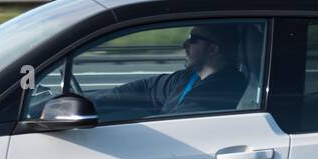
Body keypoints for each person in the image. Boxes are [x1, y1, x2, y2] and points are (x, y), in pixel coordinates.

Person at [96, 24, 246, 116]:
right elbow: (142, 89)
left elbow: (178, 125)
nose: (185, 44)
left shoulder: (223, 88)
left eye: (193, 40)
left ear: (213, 49)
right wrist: (89, 102)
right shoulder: (187, 77)